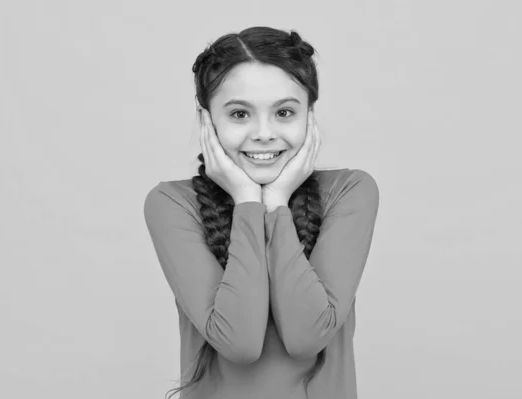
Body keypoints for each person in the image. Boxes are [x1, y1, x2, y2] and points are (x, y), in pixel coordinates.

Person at [144, 26, 380, 399]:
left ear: (310, 114)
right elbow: (240, 342)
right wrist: (247, 202)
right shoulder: (173, 204)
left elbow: (307, 336)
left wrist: (277, 203)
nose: (264, 133)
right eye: (239, 114)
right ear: (207, 120)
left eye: (285, 112)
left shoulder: (349, 191)